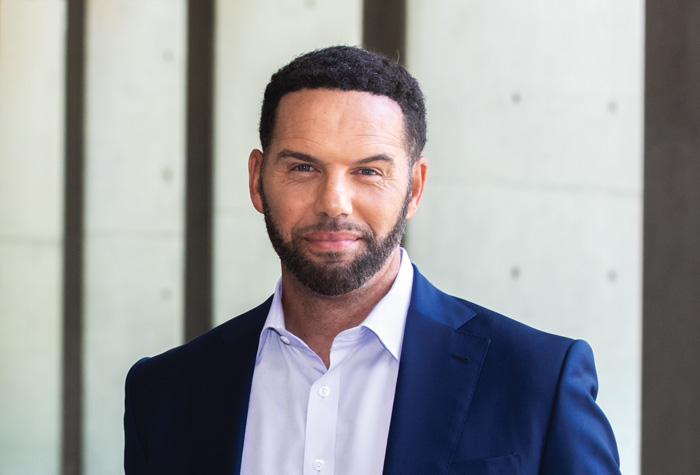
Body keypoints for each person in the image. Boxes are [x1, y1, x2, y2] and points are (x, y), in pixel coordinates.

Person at [124, 46, 620, 474]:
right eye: (303, 167)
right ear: (257, 179)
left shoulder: (538, 382)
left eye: (367, 171)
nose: (334, 202)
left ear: (414, 188)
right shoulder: (166, 394)